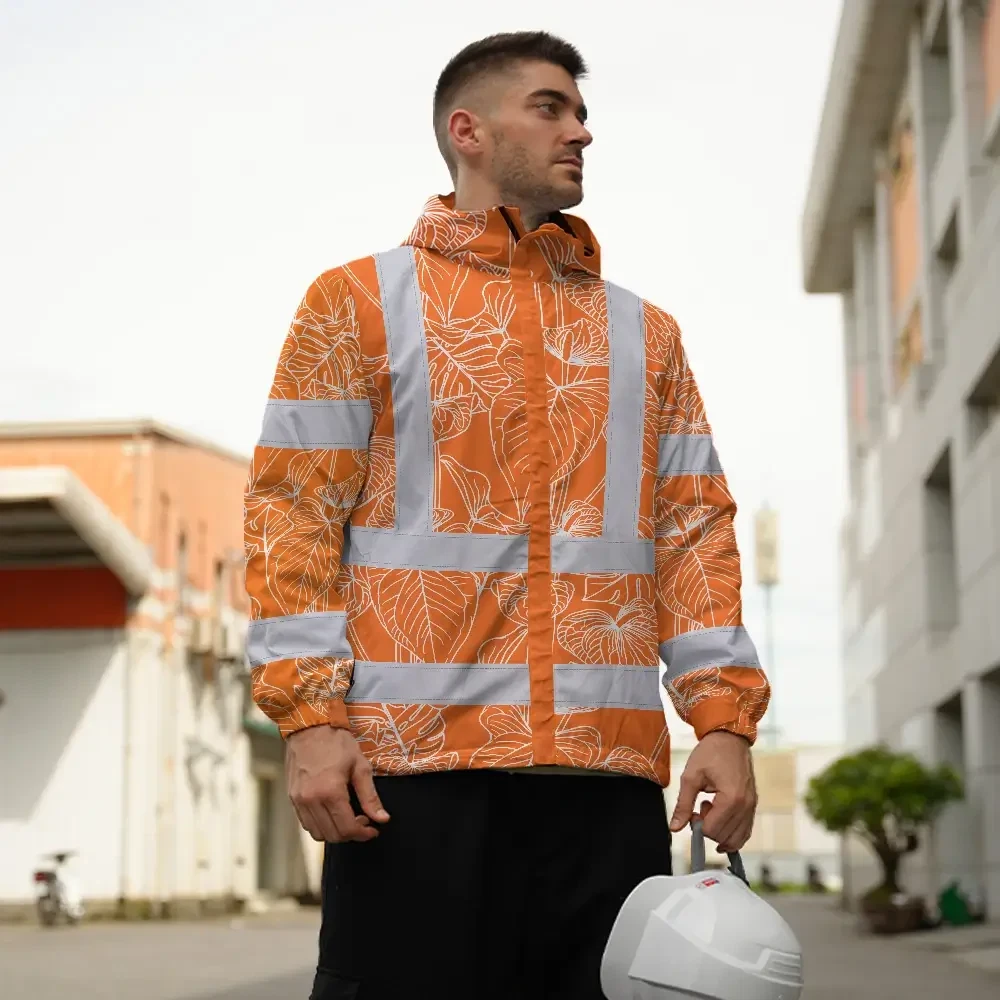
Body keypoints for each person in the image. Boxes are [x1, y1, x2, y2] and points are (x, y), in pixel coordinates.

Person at [244, 30, 770, 1000]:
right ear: (468, 131)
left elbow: (695, 533)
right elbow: (293, 518)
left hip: (606, 789)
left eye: (581, 111)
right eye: (550, 107)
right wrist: (310, 719)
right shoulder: (356, 301)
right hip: (410, 782)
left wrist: (724, 722)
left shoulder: (645, 334)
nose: (581, 131)